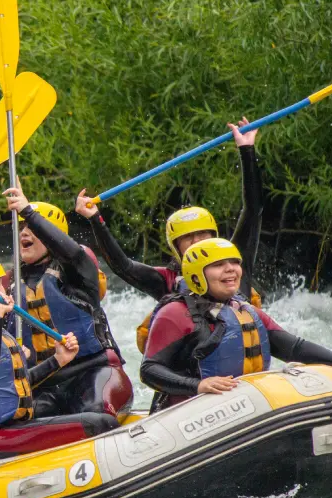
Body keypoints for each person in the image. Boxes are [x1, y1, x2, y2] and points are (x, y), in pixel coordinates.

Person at [77, 117, 264, 351]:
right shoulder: (166, 281)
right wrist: (95, 218)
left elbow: (253, 209)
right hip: (199, 376)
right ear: (176, 247)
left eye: (203, 235)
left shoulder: (236, 264)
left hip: (245, 375)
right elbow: (122, 266)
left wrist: (246, 150)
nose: (197, 242)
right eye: (188, 238)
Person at [140, 238, 332, 413]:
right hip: (188, 416)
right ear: (196, 275)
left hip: (244, 411)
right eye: (218, 264)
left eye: (234, 262)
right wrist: (198, 385)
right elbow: (149, 369)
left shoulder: (245, 311)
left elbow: (294, 347)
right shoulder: (175, 313)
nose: (230, 269)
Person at [0, 254, 120, 460]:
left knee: (68, 408)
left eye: (1, 285)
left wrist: (58, 360)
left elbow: (16, 384)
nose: (3, 291)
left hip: (10, 427)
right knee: (99, 424)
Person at [0, 184, 134, 421]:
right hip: (44, 381)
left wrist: (28, 212)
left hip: (93, 372)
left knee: (97, 415)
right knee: (7, 418)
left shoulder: (77, 271)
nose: (24, 233)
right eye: (21, 228)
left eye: (32, 228)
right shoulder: (10, 284)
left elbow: (73, 254)